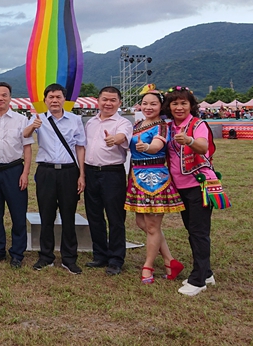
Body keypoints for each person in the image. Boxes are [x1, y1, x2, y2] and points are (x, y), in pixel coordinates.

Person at [23, 83, 86, 274]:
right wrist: (32, 126)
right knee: (46, 215)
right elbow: (24, 136)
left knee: (68, 215)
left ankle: (69, 258)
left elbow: (80, 147)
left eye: (58, 97)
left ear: (64, 99)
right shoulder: (38, 118)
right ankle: (46, 256)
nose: (55, 100)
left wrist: (82, 174)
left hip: (69, 172)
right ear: (45, 100)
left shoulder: (75, 120)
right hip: (46, 172)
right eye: (51, 97)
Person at [125, 89, 185, 284]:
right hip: (136, 175)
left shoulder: (162, 126)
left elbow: (157, 146)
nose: (148, 107)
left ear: (161, 106)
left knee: (152, 226)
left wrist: (147, 147)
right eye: (145, 103)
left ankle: (148, 267)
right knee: (143, 223)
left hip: (154, 178)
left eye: (153, 104)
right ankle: (169, 261)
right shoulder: (137, 124)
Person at [164, 86, 219, 296]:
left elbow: (203, 146)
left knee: (199, 232)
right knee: (192, 230)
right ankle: (206, 272)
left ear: (191, 105)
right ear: (169, 106)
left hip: (199, 185)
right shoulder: (168, 127)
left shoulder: (198, 124)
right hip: (180, 186)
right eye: (175, 103)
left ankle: (198, 280)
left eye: (183, 103)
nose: (179, 107)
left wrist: (189, 140)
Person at [0, 82, 33, 269]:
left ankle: (17, 253)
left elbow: (27, 148)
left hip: (14, 170)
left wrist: (25, 173)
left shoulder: (21, 120)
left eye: (4, 95)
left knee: (18, 214)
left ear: (10, 97)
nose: (0, 98)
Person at [83, 86, 133, 276]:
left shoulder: (123, 123)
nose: (108, 103)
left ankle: (116, 259)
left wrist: (114, 140)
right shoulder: (90, 122)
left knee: (115, 217)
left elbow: (122, 137)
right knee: (94, 215)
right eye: (105, 99)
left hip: (112, 173)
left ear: (119, 102)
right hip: (91, 172)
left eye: (113, 100)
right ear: (98, 101)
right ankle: (100, 255)